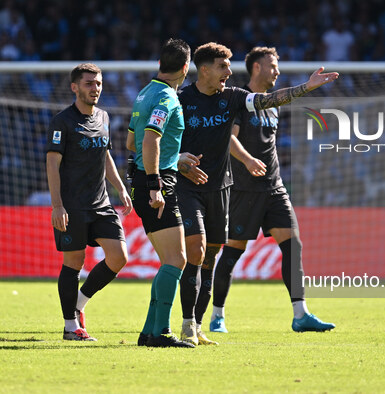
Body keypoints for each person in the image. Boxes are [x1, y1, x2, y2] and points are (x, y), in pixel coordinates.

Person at [176, 42, 338, 345]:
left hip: (244, 187)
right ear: (206, 69)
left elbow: (269, 100)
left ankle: (202, 324)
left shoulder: (235, 98)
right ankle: (200, 321)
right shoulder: (181, 99)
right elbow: (158, 140)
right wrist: (177, 161)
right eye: (223, 66)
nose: (228, 72)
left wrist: (306, 87)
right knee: (206, 252)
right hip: (213, 188)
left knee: (220, 254)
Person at [126, 38, 206, 348]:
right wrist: (156, 184)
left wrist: (175, 157)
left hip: (146, 178)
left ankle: (150, 331)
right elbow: (149, 142)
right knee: (177, 259)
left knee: (170, 262)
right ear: (186, 68)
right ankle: (159, 333)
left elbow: (131, 144)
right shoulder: (168, 99)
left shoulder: (144, 93)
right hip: (158, 183)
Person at [46, 63, 133, 341]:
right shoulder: (62, 121)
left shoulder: (105, 117)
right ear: (75, 87)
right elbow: (52, 163)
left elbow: (105, 154)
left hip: (101, 203)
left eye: (98, 83)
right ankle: (70, 327)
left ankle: (79, 304)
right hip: (72, 206)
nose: (95, 88)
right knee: (74, 262)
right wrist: (57, 205)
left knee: (119, 257)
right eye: (88, 83)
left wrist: (120, 187)